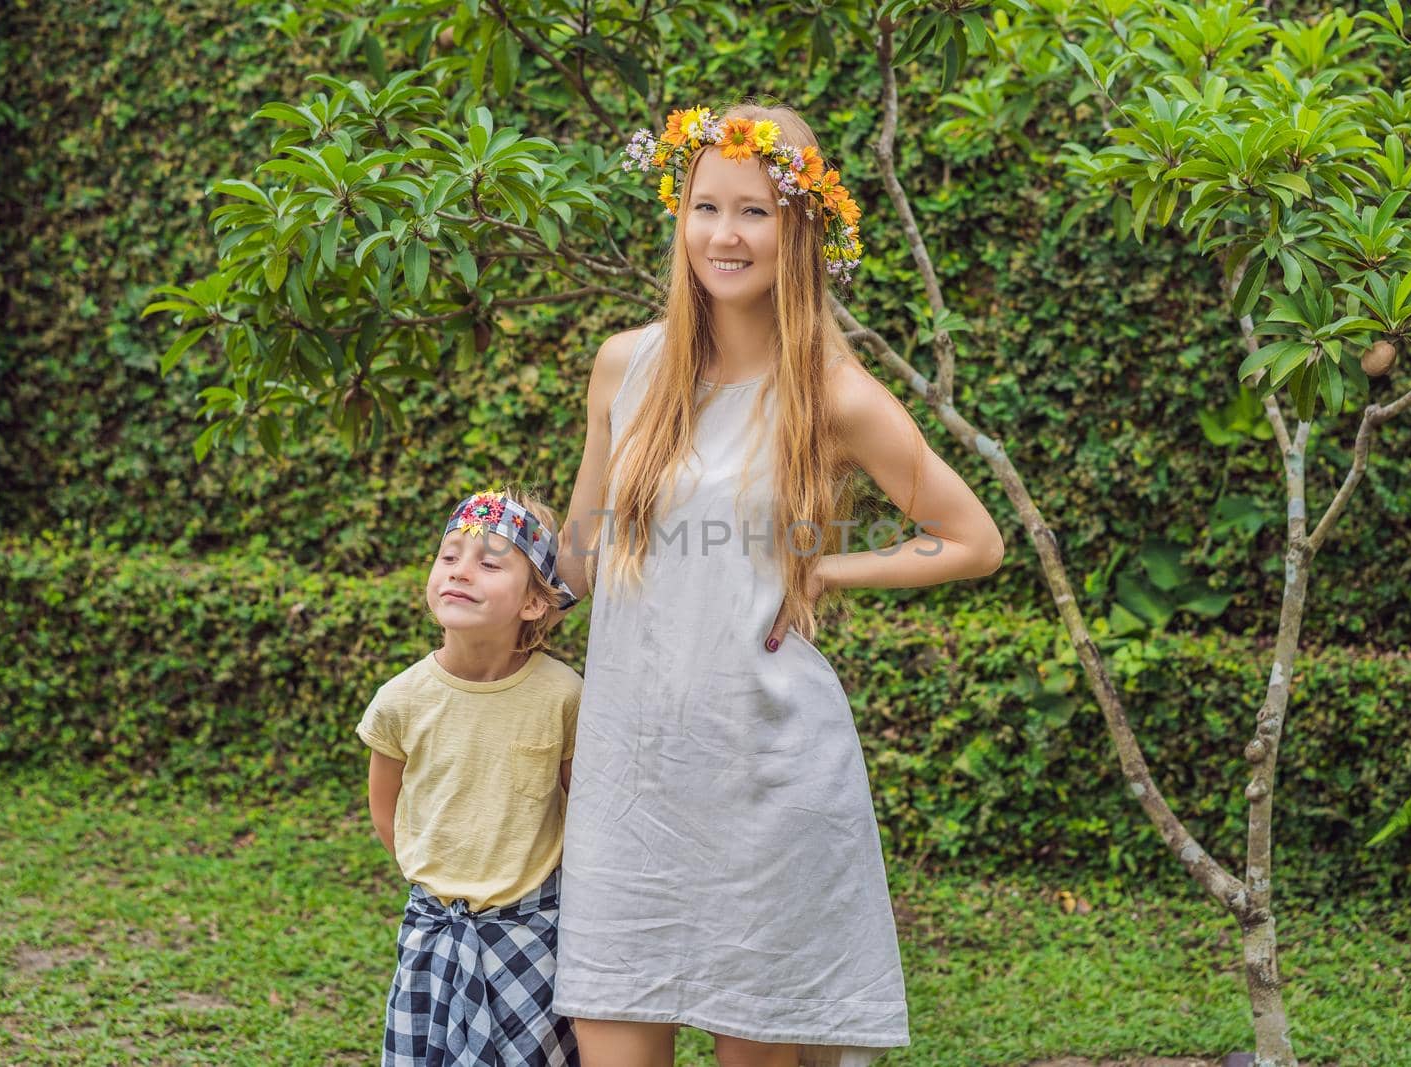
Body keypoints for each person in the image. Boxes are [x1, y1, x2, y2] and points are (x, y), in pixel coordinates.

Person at [549, 101, 1006, 1067]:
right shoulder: (624, 368)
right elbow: (581, 562)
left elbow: (970, 539)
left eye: (753, 211)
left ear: (798, 227)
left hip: (764, 780)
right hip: (629, 780)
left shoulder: (832, 395)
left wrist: (823, 567)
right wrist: (499, 580)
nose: (724, 235)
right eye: (704, 205)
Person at [358, 485, 586, 1066]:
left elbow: (582, 808)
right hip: (434, 928)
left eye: (489, 562)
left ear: (534, 602)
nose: (461, 572)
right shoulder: (400, 700)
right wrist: (435, 879)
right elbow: (386, 808)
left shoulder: (563, 696)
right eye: (449, 556)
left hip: (534, 933)